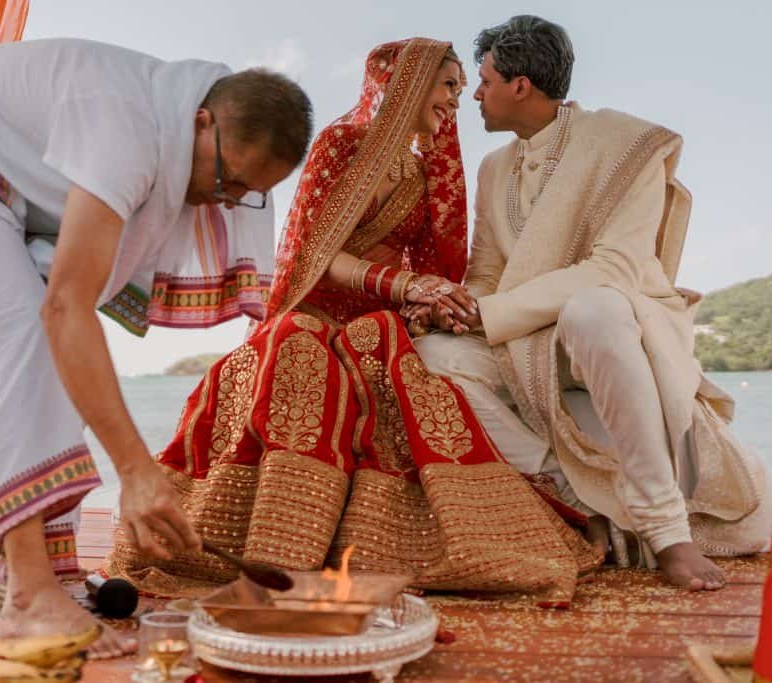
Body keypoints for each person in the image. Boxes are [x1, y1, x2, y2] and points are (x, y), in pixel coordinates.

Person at [104, 38, 601, 608]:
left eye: (464, 91)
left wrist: (428, 300)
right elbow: (319, 253)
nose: (455, 101)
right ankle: (275, 554)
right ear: (408, 82)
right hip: (314, 311)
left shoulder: (423, 174)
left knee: (382, 346)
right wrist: (405, 285)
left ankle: (400, 546)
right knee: (299, 347)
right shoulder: (341, 145)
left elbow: (424, 266)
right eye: (447, 86)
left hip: (379, 322)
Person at [0, 38, 313, 657]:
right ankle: (25, 593)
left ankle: (48, 568)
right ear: (200, 122)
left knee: (48, 344)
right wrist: (134, 470)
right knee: (15, 334)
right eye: (224, 179)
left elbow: (71, 321)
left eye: (245, 195)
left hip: (16, 172)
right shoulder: (127, 130)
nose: (224, 201)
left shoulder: (179, 133)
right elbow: (64, 308)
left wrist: (137, 472)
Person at [413, 16, 772, 592]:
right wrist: (458, 307)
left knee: (592, 308)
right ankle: (566, 488)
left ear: (521, 86)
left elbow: (612, 269)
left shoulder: (627, 144)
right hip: (527, 337)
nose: (475, 94)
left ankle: (668, 532)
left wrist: (491, 313)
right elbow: (487, 272)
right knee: (430, 353)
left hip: (615, 324)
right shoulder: (493, 168)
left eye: (483, 81)